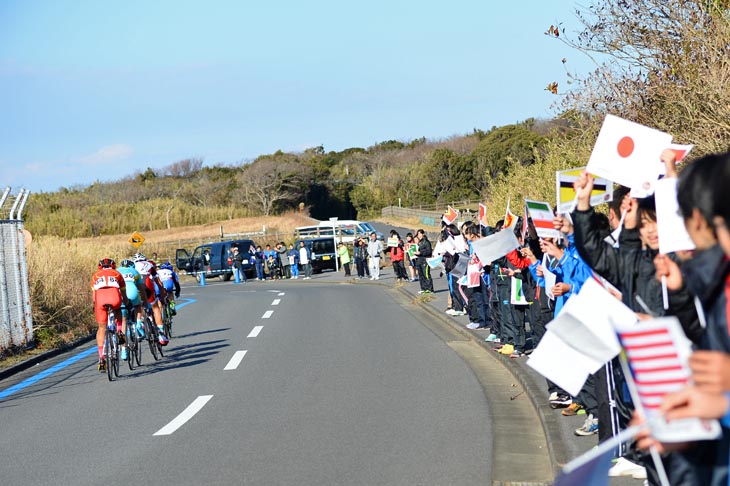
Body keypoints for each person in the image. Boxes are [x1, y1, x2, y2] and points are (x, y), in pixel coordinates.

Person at [91, 258, 130, 372]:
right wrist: (127, 303)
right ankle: (119, 331)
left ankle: (101, 358)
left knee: (101, 328)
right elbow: (123, 293)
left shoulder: (95, 276)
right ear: (113, 266)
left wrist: (95, 306)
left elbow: (94, 296)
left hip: (100, 300)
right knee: (118, 310)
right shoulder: (117, 273)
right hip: (114, 298)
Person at [414, 229, 434, 293]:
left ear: (423, 234)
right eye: (418, 234)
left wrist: (421, 252)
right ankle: (424, 288)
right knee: (421, 275)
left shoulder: (426, 242)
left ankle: (430, 289)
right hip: (419, 260)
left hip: (425, 260)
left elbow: (429, 252)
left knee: (426, 274)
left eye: (420, 234)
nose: (419, 235)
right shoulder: (419, 242)